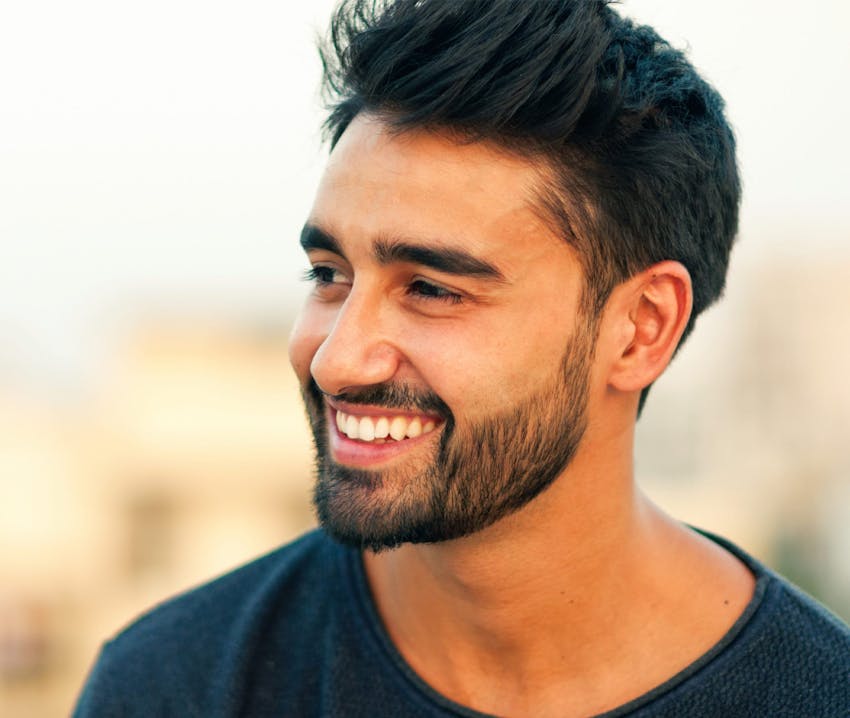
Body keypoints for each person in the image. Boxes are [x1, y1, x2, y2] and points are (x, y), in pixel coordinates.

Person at [74, 1, 850, 716]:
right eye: (329, 275)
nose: (337, 360)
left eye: (433, 289)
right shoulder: (177, 684)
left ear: (641, 328)